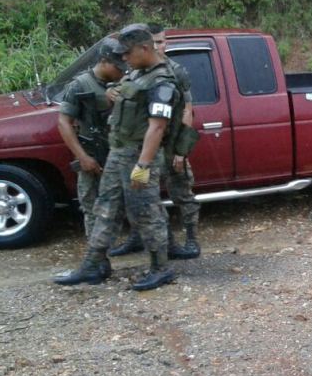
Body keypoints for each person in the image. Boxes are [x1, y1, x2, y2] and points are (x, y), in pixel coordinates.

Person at [53, 27, 182, 291]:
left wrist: (143, 165)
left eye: (128, 53)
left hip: (139, 155)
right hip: (118, 152)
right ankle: (92, 265)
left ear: (144, 48)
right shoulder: (137, 73)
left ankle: (161, 268)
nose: (124, 59)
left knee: (146, 211)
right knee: (105, 208)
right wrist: (112, 90)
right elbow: (123, 91)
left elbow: (157, 127)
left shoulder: (162, 81)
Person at [108, 23, 201, 260]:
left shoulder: (174, 72)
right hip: (148, 146)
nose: (158, 46)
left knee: (181, 191)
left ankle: (191, 239)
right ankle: (140, 237)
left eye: (161, 42)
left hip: (169, 144)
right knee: (144, 197)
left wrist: (180, 152)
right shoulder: (139, 69)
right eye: (155, 42)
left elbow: (187, 110)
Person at [57, 38, 129, 245]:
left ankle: (121, 243)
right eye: (118, 67)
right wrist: (82, 157)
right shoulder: (79, 85)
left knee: (122, 203)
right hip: (92, 155)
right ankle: (97, 250)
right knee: (91, 206)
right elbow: (64, 122)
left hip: (118, 153)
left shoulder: (124, 82)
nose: (122, 71)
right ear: (104, 61)